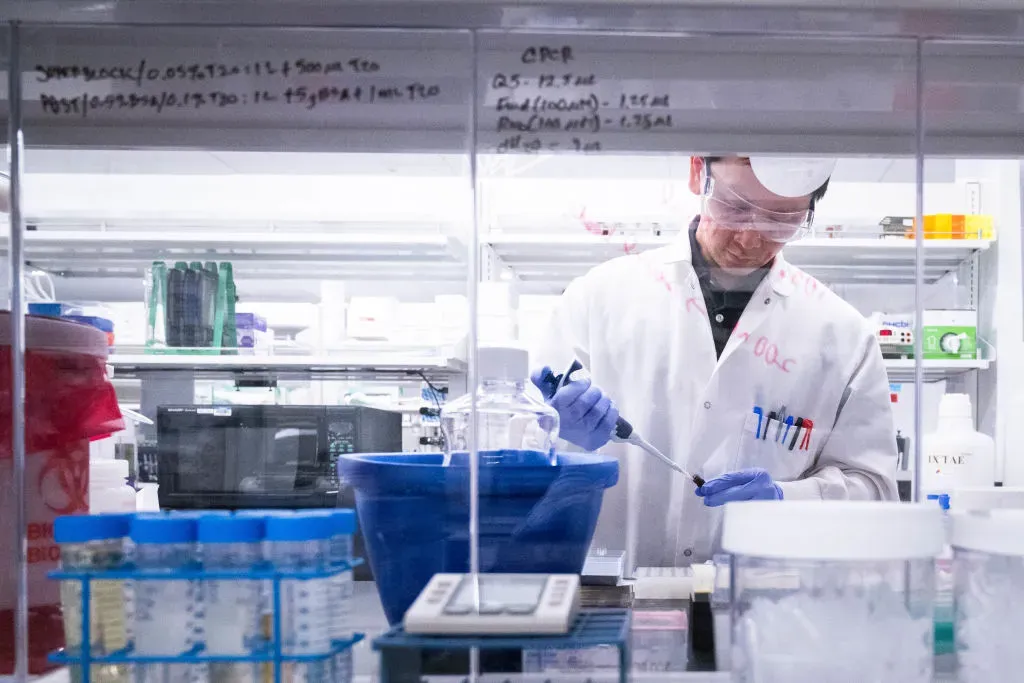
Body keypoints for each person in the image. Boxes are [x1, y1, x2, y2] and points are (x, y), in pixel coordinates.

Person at [530, 155, 899, 569]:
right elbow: (513, 452)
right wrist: (558, 432)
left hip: (765, 611)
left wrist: (788, 498)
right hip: (611, 602)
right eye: (736, 206)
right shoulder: (599, 297)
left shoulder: (843, 335)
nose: (748, 238)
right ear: (696, 173)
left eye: (780, 219)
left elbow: (874, 489)